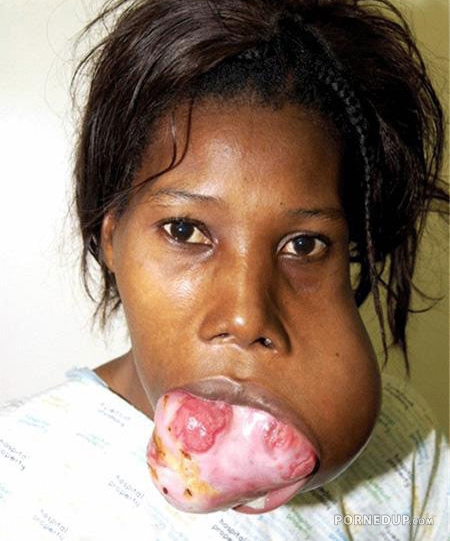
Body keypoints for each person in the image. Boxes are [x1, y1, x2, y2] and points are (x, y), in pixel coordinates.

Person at [0, 0, 448, 539]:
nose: (245, 316)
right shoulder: (17, 475)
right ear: (112, 238)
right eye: (185, 230)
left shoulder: (405, 444)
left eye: (303, 244)